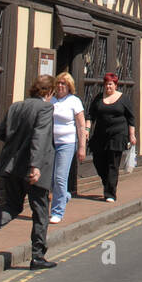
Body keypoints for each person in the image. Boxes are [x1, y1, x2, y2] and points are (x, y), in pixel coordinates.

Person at [0, 75, 57, 270]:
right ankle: (37, 257)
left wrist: (16, 143)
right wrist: (35, 167)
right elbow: (40, 137)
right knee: (41, 212)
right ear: (48, 92)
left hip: (11, 167)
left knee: (11, 206)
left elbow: (1, 132)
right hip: (33, 170)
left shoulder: (16, 107)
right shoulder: (45, 108)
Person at [86, 72, 136, 201]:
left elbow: (131, 118)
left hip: (118, 135)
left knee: (113, 164)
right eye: (106, 84)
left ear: (115, 85)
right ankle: (107, 182)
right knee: (98, 160)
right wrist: (86, 129)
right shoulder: (98, 98)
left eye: (110, 84)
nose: (108, 87)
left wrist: (132, 135)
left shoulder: (123, 99)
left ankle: (110, 194)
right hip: (100, 135)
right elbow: (90, 115)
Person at [48, 72, 86, 224]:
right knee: (50, 179)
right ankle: (65, 196)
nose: (60, 86)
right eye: (58, 83)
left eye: (64, 83)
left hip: (67, 144)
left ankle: (57, 211)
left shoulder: (74, 101)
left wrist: (82, 147)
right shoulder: (51, 100)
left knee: (59, 177)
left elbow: (81, 125)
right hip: (51, 143)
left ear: (69, 86)